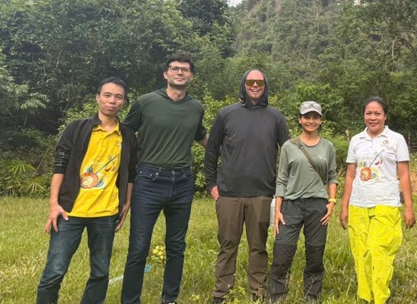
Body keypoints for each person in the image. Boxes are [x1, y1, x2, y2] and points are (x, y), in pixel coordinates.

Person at [36, 77, 137, 304]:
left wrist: (127, 202)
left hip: (106, 214)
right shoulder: (77, 128)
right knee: (54, 272)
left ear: (124, 102)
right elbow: (60, 165)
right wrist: (54, 203)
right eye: (108, 95)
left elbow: (130, 173)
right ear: (98, 98)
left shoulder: (127, 135)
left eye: (118, 97)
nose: (112, 101)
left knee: (100, 273)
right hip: (69, 212)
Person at [121, 53, 208, 304]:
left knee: (176, 247)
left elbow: (202, 136)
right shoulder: (146, 102)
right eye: (175, 68)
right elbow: (124, 135)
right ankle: (130, 300)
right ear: (165, 74)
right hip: (148, 180)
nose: (180, 72)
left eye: (185, 69)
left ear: (191, 76)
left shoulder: (196, 107)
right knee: (138, 248)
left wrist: (233, 151)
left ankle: (169, 299)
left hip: (182, 182)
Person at [204, 69, 290, 303]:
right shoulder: (226, 114)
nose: (254, 85)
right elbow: (211, 150)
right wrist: (211, 184)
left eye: (259, 82)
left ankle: (258, 292)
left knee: (258, 246)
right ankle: (221, 293)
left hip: (263, 194)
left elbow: (290, 153)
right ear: (243, 85)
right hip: (228, 194)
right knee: (227, 245)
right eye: (250, 82)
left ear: (265, 86)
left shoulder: (275, 117)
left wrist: (283, 189)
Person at [340, 97, 415, 304]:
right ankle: (365, 296)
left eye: (377, 113)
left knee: (380, 251)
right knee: (361, 252)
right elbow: (350, 175)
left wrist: (409, 207)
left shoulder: (396, 139)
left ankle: (381, 297)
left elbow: (404, 175)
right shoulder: (356, 140)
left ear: (385, 116)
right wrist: (344, 206)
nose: (372, 118)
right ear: (364, 115)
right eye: (368, 113)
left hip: (386, 203)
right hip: (358, 204)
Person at [267, 101, 338, 303]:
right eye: (307, 117)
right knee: (283, 251)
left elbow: (332, 177)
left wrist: (331, 202)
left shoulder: (328, 146)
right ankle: (276, 295)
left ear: (320, 120)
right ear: (300, 119)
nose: (311, 121)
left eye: (315, 117)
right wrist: (278, 209)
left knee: (315, 252)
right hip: (291, 205)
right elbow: (281, 178)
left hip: (318, 206)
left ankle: (311, 296)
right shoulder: (289, 146)